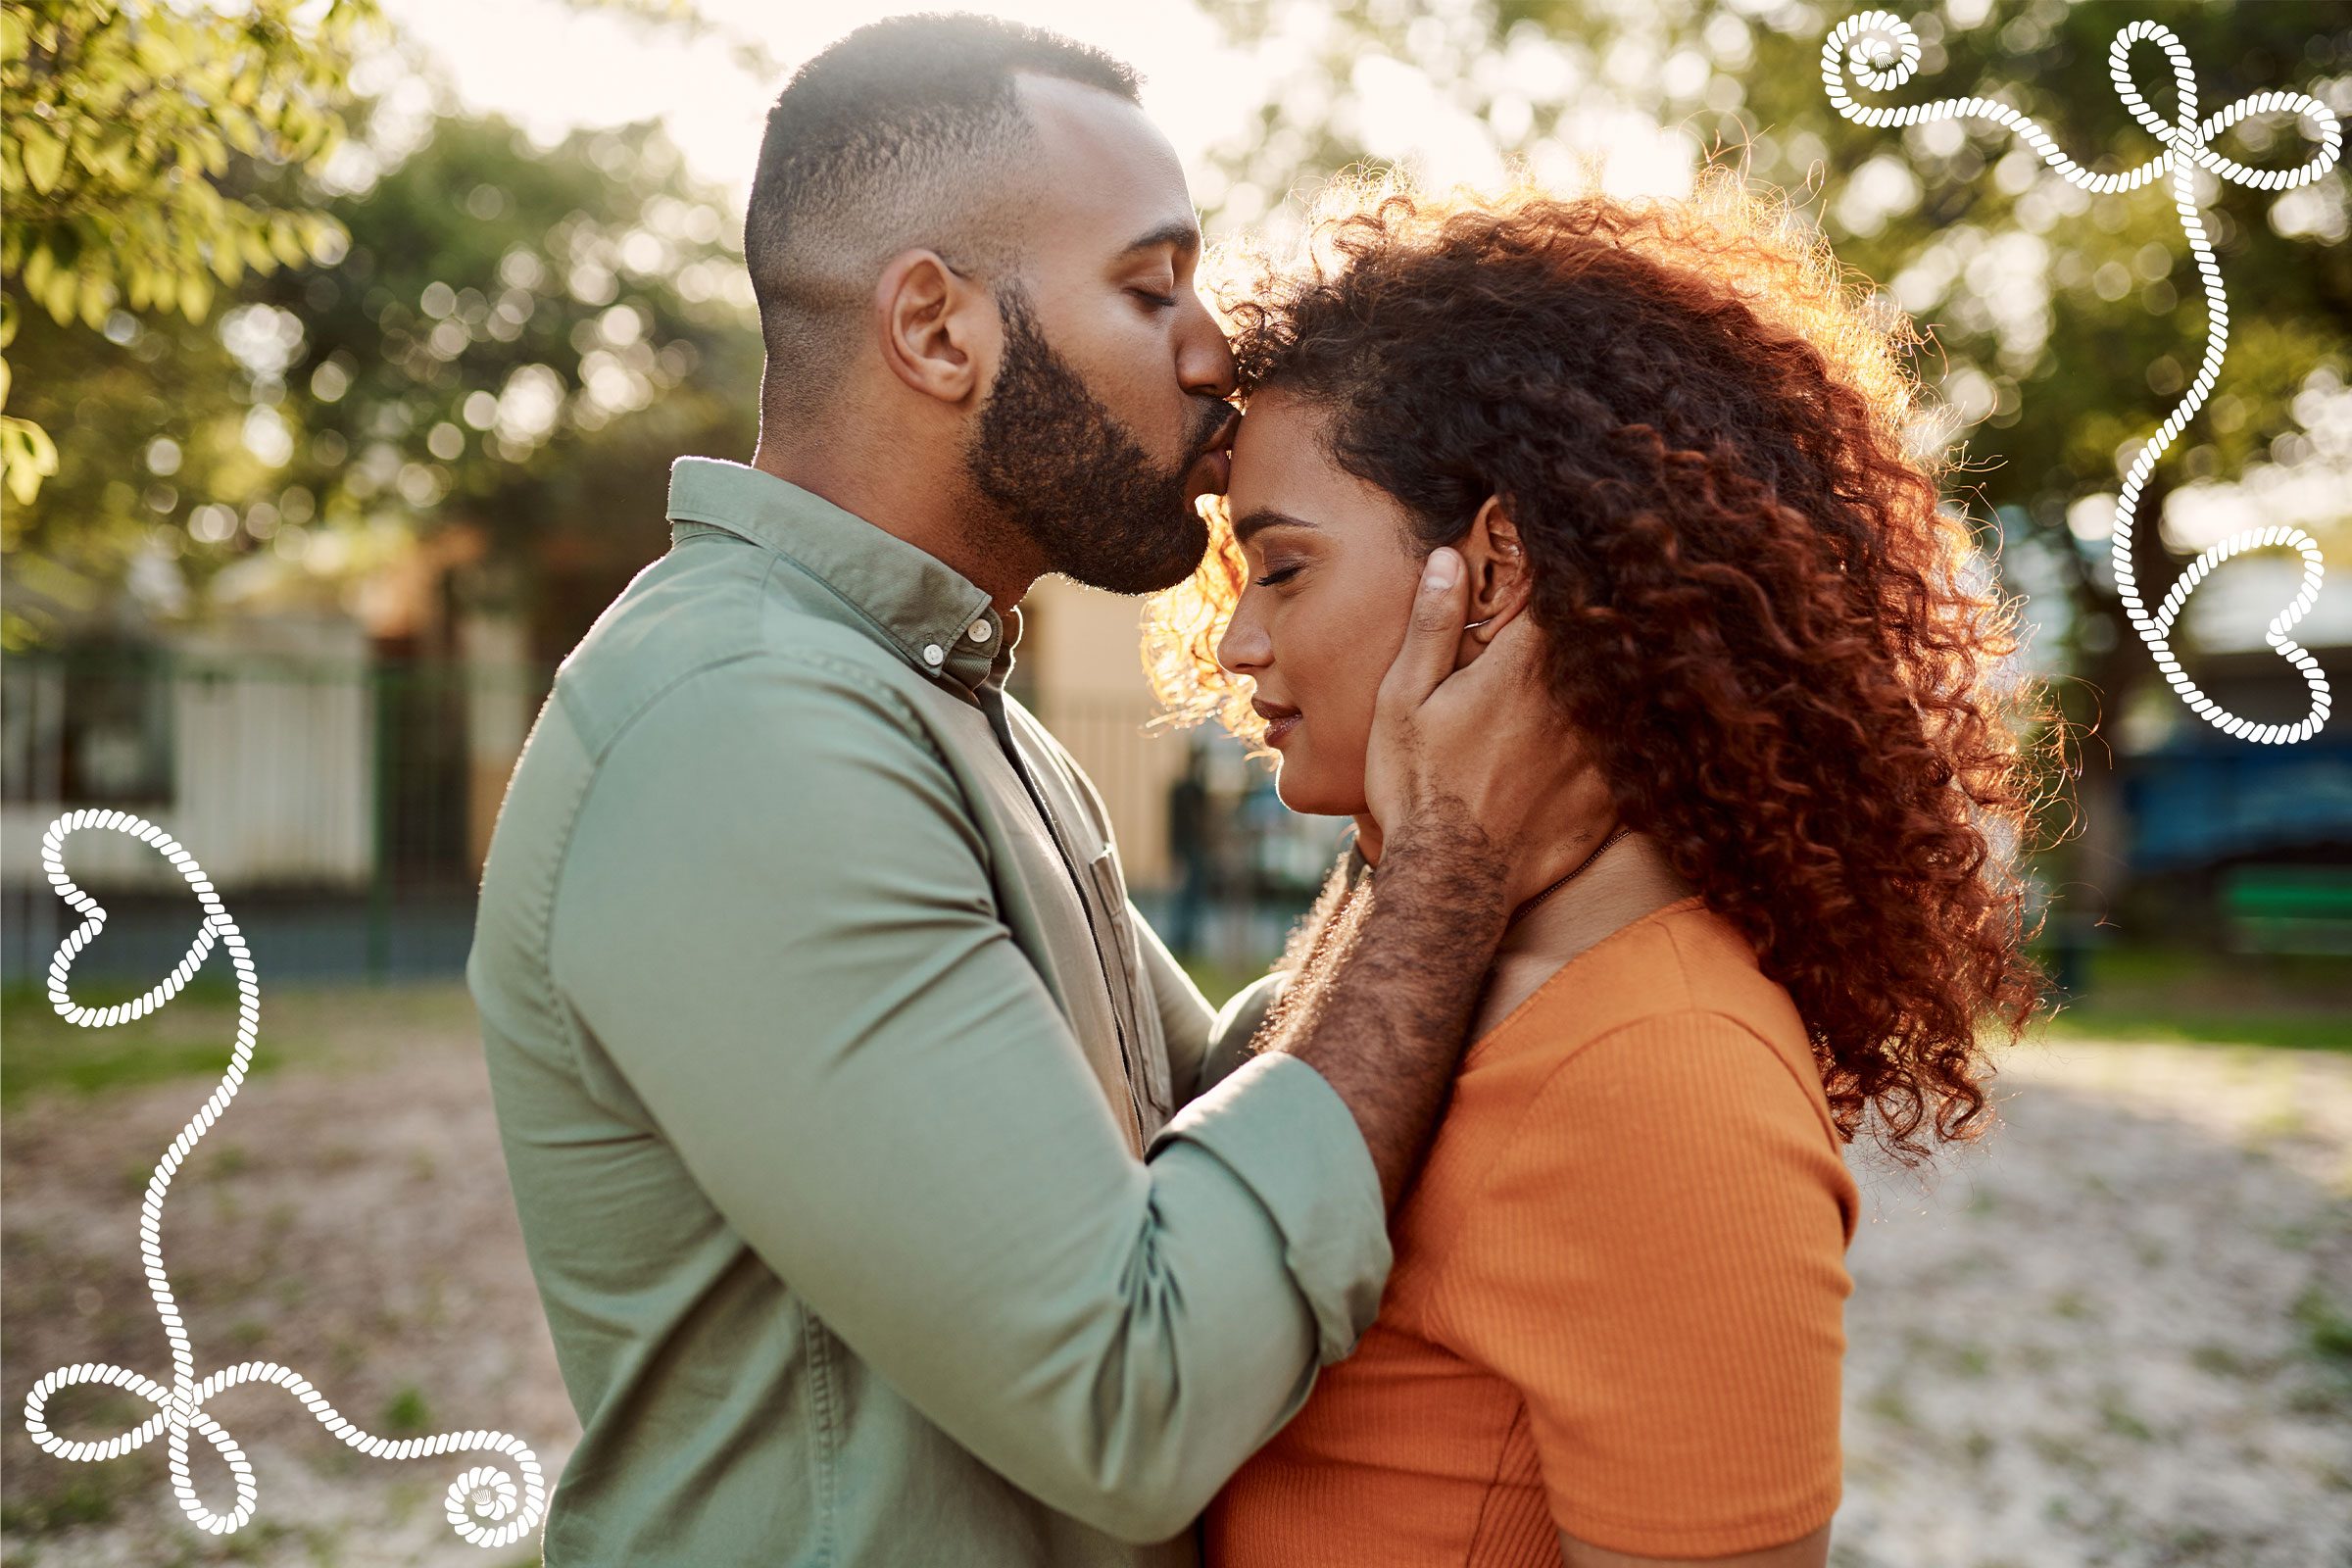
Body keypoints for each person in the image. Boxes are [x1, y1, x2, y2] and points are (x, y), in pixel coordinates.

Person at [466, 18, 1605, 1567]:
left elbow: (1200, 1126)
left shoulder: (934, 700)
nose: (1216, 350)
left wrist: (1433, 808)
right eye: (1153, 288)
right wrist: (1442, 876)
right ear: (936, 330)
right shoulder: (744, 729)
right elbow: (1131, 1403)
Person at [1141, 169, 2053, 1567]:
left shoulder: (1659, 1069)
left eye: (1283, 569)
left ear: (1492, 572)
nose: (1236, 646)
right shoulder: (1455, 967)